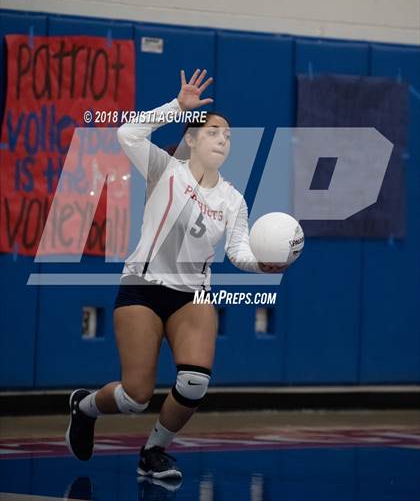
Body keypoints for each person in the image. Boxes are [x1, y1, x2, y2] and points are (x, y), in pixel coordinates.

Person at [66, 69, 285, 481]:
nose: (222, 138)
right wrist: (176, 107)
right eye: (213, 131)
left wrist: (263, 264)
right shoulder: (166, 169)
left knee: (194, 383)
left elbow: (237, 252)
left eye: (228, 135)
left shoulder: (233, 199)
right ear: (191, 137)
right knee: (135, 397)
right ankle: (85, 406)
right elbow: (126, 135)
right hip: (143, 289)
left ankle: (153, 452)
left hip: (193, 296)